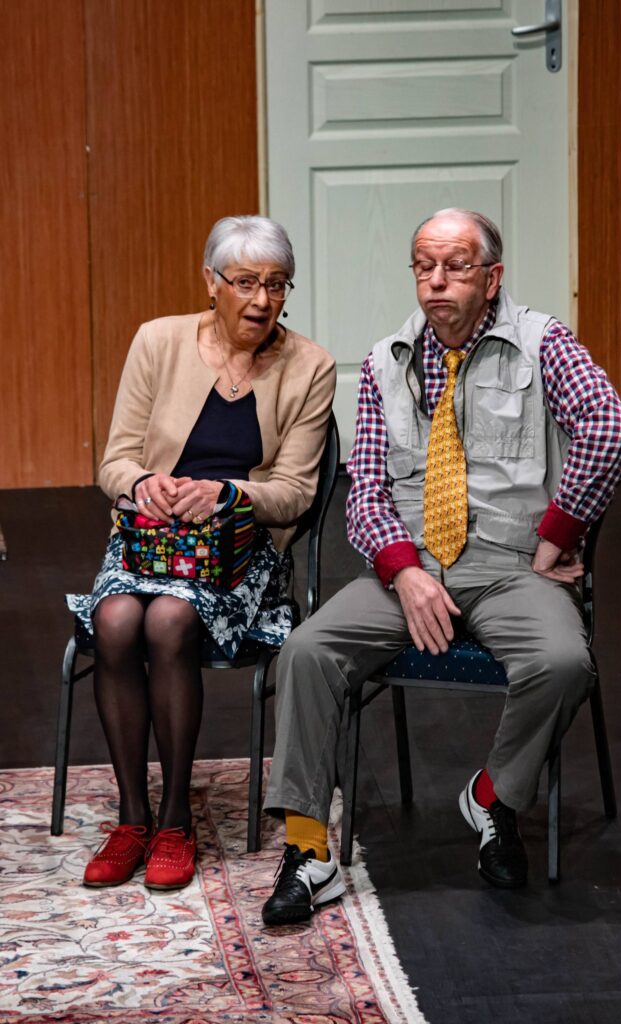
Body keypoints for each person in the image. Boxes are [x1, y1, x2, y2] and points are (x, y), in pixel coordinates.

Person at [260, 207, 621, 925]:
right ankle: (309, 852)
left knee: (563, 663)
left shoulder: (542, 343)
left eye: (455, 267)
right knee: (306, 650)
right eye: (424, 266)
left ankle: (492, 797)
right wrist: (403, 571)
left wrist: (557, 534)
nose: (436, 282)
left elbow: (612, 429)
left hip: (510, 565)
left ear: (490, 278)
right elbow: (366, 491)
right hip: (409, 569)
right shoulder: (385, 361)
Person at [71, 215, 335, 892]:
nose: (261, 300)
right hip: (151, 537)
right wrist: (143, 483)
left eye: (276, 284)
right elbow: (114, 461)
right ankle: (131, 818)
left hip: (240, 550)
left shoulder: (310, 366)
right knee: (114, 620)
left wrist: (227, 493)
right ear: (210, 282)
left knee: (168, 619)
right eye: (244, 282)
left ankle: (174, 820)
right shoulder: (157, 341)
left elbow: (296, 492)